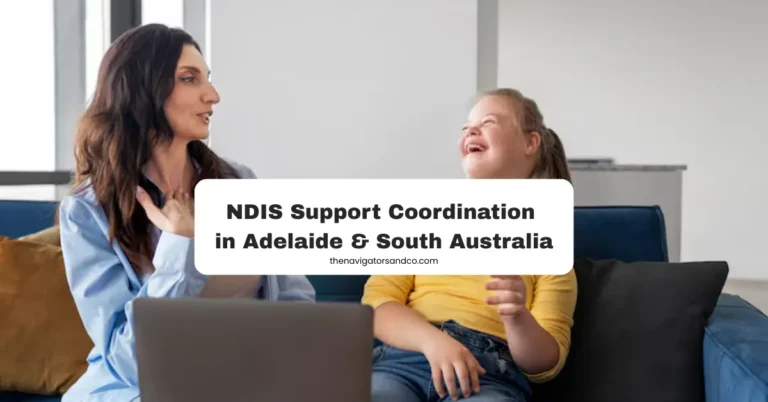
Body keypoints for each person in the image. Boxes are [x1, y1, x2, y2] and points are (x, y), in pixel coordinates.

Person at [58, 24, 315, 402]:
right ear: (141, 88)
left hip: (247, 378)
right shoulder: (86, 210)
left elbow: (295, 301)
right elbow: (129, 360)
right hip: (145, 389)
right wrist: (180, 247)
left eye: (207, 79)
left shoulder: (240, 183)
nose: (213, 95)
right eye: (189, 79)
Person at [363, 88, 578, 402]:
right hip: (402, 363)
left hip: (488, 376)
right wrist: (434, 342)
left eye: (488, 122)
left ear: (530, 143)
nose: (470, 131)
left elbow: (544, 365)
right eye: (466, 127)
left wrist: (517, 316)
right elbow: (377, 307)